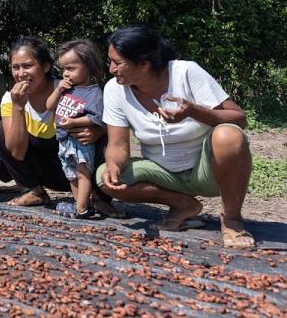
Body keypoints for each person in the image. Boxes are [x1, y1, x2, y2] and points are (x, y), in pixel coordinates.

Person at [97, 26, 255, 248]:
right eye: (109, 61)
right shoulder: (114, 90)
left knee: (229, 135)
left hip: (209, 171)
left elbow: (239, 118)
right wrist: (113, 165)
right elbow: (117, 144)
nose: (111, 68)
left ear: (143, 64)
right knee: (104, 176)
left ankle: (232, 219)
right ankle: (183, 205)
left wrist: (193, 111)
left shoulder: (186, 72)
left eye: (117, 62)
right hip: (163, 174)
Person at [0, 37, 107, 207]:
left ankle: (99, 197)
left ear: (45, 66)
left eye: (27, 66)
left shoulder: (69, 90)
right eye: (16, 67)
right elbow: (17, 153)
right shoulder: (10, 99)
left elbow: (110, 122)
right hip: (44, 172)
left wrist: (99, 131)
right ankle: (34, 191)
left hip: (79, 170)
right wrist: (18, 107)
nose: (21, 73)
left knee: (106, 141)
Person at [45, 40, 106, 218]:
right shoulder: (66, 89)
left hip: (79, 140)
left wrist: (74, 123)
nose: (66, 74)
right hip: (63, 140)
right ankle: (79, 203)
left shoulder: (93, 92)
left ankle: (82, 209)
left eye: (71, 68)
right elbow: (49, 106)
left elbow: (97, 117)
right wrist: (58, 91)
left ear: (87, 66)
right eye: (64, 69)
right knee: (70, 173)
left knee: (82, 172)